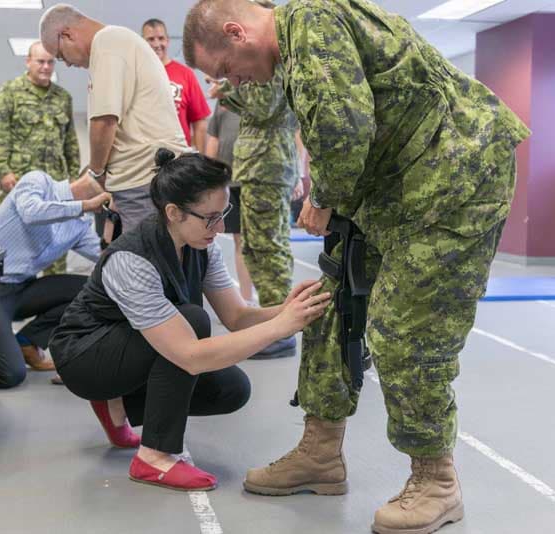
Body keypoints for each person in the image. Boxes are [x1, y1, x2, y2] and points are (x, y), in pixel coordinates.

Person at [183, 1, 531, 532]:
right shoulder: (293, 46)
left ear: (237, 32)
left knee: (404, 329)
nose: (234, 80)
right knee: (324, 302)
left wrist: (323, 197)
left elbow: (344, 131)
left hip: (457, 176)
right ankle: (321, 452)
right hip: (394, 185)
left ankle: (436, 479)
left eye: (227, 68)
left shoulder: (314, 23)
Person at [49, 149, 331, 492]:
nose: (222, 227)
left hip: (131, 342)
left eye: (223, 213)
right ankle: (153, 457)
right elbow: (188, 355)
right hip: (85, 356)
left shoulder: (202, 245)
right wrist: (281, 326)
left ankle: (118, 404)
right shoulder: (132, 259)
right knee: (192, 320)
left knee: (232, 389)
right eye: (211, 217)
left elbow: (237, 316)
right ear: (174, 213)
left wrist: (287, 309)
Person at [38, 4, 187, 233]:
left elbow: (105, 121)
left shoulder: (108, 42)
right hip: (147, 177)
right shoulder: (116, 44)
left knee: (147, 264)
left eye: (60, 55)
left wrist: (96, 175)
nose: (66, 63)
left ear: (66, 34)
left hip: (144, 180)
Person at [0, 169, 109, 389]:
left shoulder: (80, 224)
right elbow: (31, 212)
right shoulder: (37, 181)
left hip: (22, 289)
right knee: (11, 374)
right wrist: (86, 205)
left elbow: (106, 255)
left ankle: (27, 341)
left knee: (92, 291)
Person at [208, 67, 304, 358]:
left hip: (268, 169)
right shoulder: (259, 71)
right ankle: (272, 325)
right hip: (255, 170)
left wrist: (227, 89)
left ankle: (281, 330)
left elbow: (264, 105)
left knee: (268, 250)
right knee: (253, 249)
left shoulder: (271, 67)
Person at [0, 40, 81, 275]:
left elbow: (70, 141)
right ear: (28, 62)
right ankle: (14, 302)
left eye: (50, 62)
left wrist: (73, 178)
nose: (45, 67)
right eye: (40, 61)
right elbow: (0, 133)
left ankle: (52, 308)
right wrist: (4, 170)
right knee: (16, 249)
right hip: (20, 182)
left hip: (55, 184)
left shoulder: (63, 97)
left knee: (56, 248)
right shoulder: (10, 91)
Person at [204, 101, 255, 304]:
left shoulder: (263, 90)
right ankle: (246, 299)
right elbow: (213, 138)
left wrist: (298, 173)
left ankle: (271, 298)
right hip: (230, 181)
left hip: (257, 180)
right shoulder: (224, 99)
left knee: (260, 242)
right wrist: (206, 174)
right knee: (240, 241)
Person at [142, 18, 211, 152]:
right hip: (144, 156)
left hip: (178, 156)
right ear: (142, 42)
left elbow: (199, 121)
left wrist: (200, 159)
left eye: (161, 38)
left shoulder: (185, 74)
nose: (157, 44)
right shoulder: (134, 74)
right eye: (151, 39)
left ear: (167, 41)